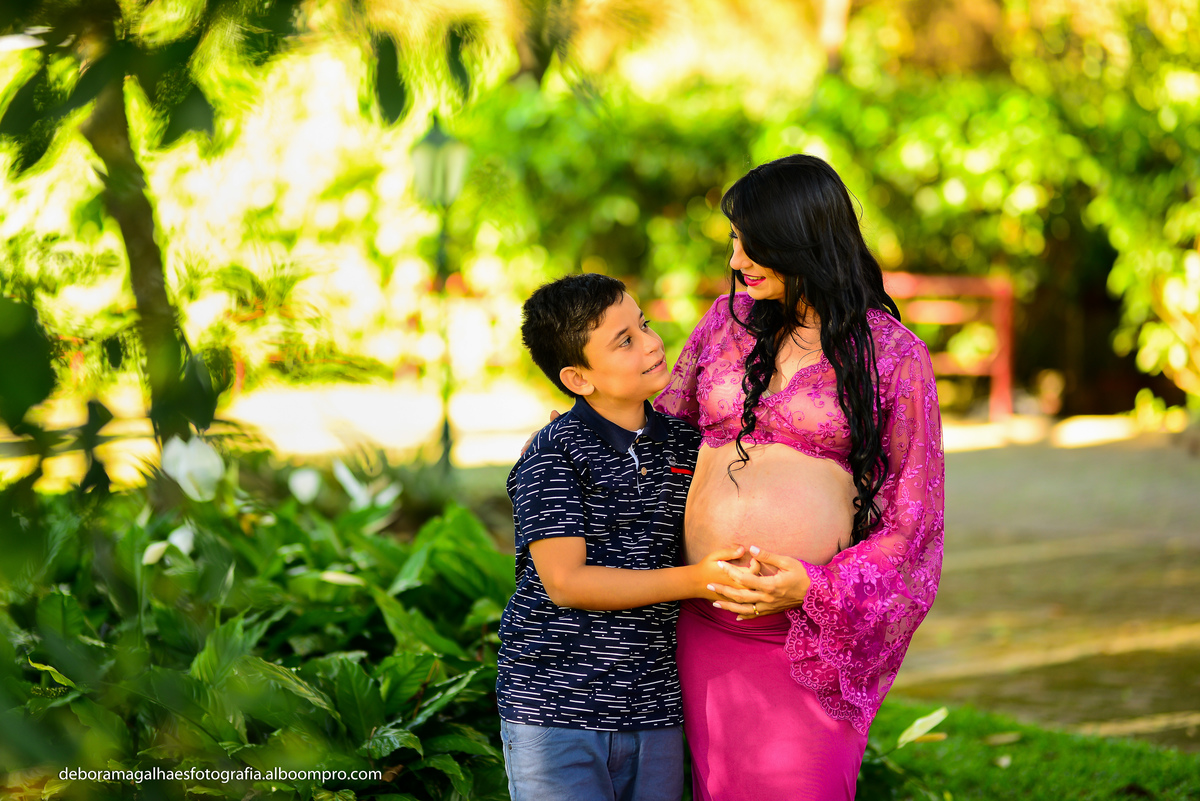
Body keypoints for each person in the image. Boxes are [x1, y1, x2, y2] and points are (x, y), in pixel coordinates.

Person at [651, 154, 945, 800]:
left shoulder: (894, 354)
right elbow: (661, 436)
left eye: (751, 243)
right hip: (704, 625)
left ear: (799, 238)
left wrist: (813, 587)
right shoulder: (722, 325)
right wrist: (580, 437)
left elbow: (913, 522)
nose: (736, 260)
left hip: (809, 639)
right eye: (733, 241)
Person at [497, 272, 745, 801]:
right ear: (578, 378)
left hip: (655, 706)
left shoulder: (686, 446)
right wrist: (697, 580)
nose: (652, 343)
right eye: (624, 340)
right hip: (557, 709)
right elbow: (566, 582)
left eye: (645, 325)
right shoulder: (553, 454)